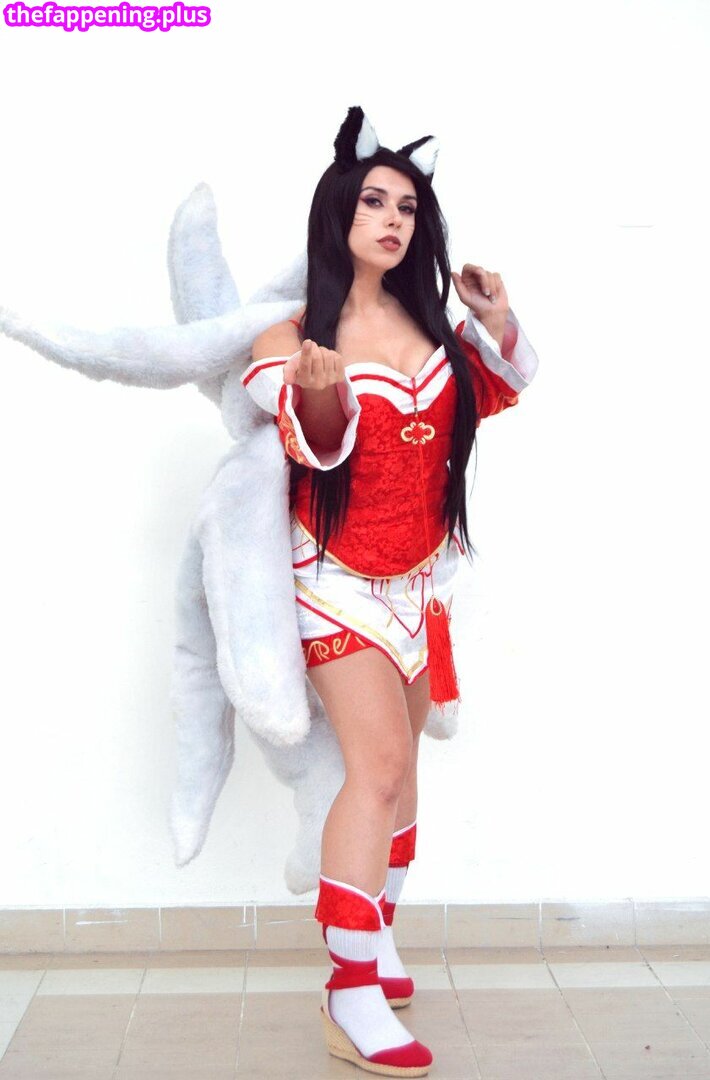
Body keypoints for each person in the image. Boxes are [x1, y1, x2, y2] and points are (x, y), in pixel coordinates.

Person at [241, 106, 539, 1077]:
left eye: (407, 208)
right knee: (372, 771)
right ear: (338, 213)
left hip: (418, 586)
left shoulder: (431, 324)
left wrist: (493, 320)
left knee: (402, 775)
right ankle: (349, 989)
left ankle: (377, 935)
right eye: (373, 202)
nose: (391, 220)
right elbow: (312, 446)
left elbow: (496, 391)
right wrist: (322, 386)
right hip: (331, 582)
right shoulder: (293, 334)